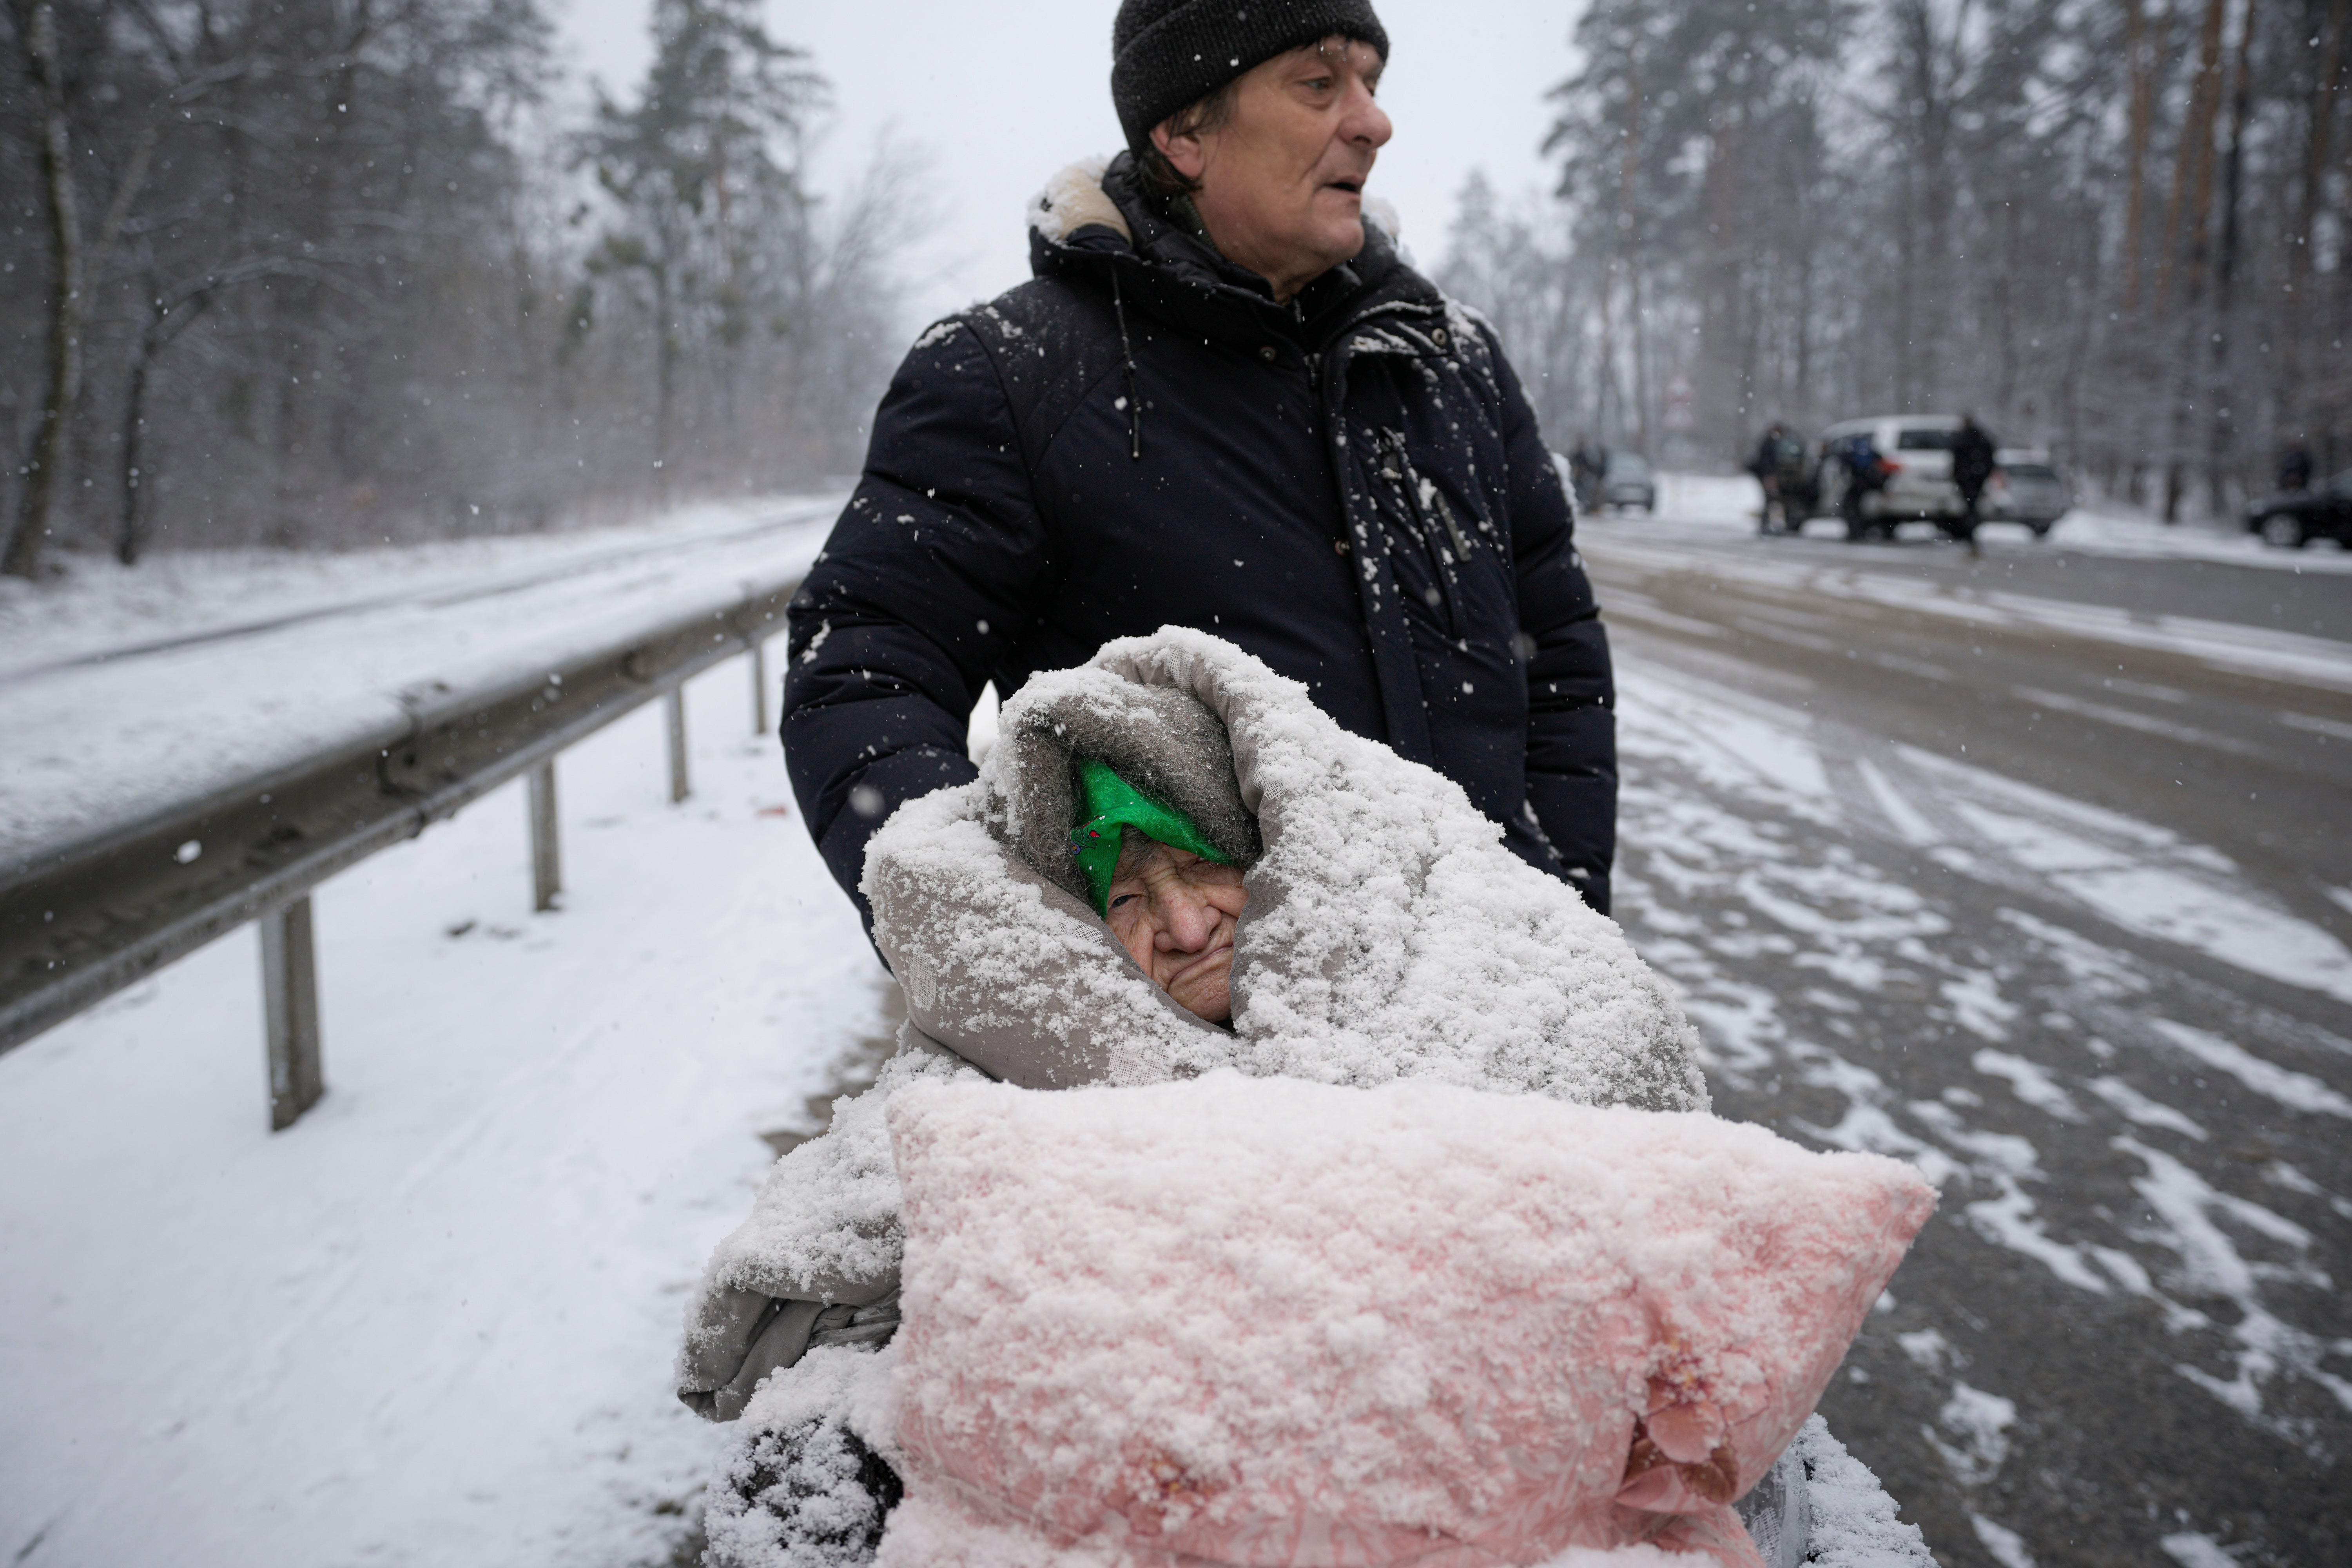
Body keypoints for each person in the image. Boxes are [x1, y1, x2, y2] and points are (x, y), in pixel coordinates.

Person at [688, 631, 1710, 1567]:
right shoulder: (1026, 1048)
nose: (1179, 926)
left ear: (1270, 849)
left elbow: (1628, 1150)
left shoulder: (1468, 963)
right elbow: (789, 1304)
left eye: (1202, 865)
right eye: (1126, 898)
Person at [782, 0, 1619, 935]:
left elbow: (1560, 668)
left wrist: (1565, 909)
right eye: (1319, 83)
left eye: (1372, 85)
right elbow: (863, 676)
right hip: (1207, 1051)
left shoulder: (1449, 365)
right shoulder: (1009, 374)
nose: (1374, 122)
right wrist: (1031, 954)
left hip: (1490, 1002)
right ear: (1184, 131)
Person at [1950, 413, 1997, 540]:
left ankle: (1969, 531)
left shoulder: (1962, 438)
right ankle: (1971, 530)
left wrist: (1958, 476)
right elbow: (1991, 458)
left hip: (1967, 477)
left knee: (1969, 506)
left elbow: (1956, 459)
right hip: (1977, 477)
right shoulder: (1982, 438)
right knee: (1973, 505)